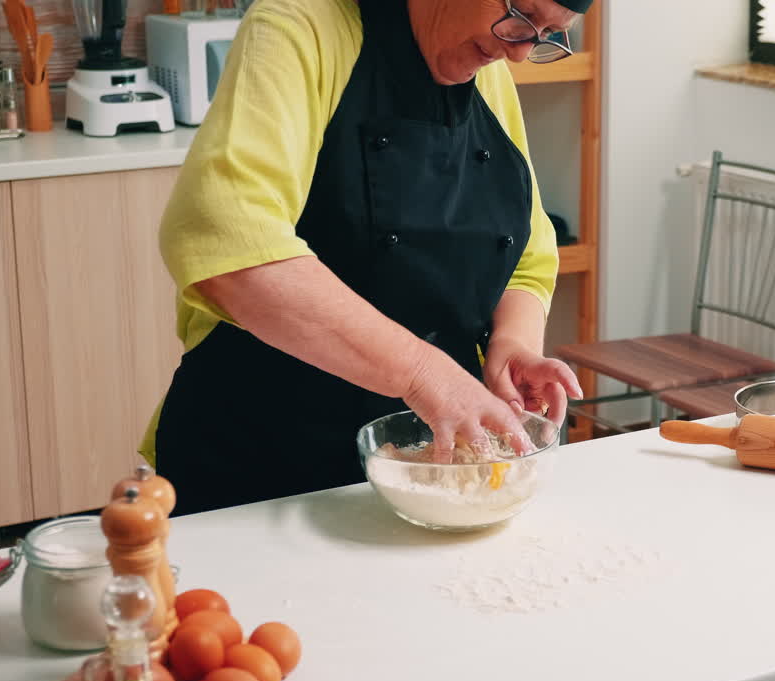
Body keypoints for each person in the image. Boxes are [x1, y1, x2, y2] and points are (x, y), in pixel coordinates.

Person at [140, 0, 592, 515]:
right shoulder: (298, 26)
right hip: (262, 459)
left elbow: (528, 252)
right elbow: (229, 241)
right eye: (523, 15)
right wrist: (425, 374)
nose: (518, 50)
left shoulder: (485, 64)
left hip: (422, 464)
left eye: (548, 35)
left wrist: (512, 344)